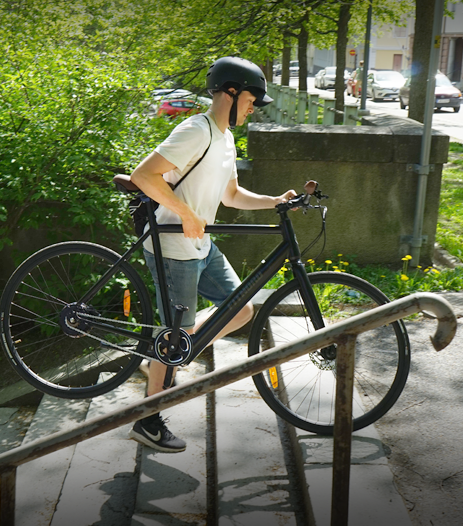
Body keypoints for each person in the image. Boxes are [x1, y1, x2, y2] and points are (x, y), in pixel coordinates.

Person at [128, 56, 297, 453]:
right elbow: (143, 175)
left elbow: (232, 195)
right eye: (254, 97)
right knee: (178, 333)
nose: (256, 106)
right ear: (231, 91)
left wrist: (274, 200)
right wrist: (186, 213)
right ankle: (147, 420)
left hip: (200, 246)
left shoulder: (225, 137)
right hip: (173, 248)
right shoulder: (195, 130)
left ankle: (166, 353)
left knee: (240, 309)